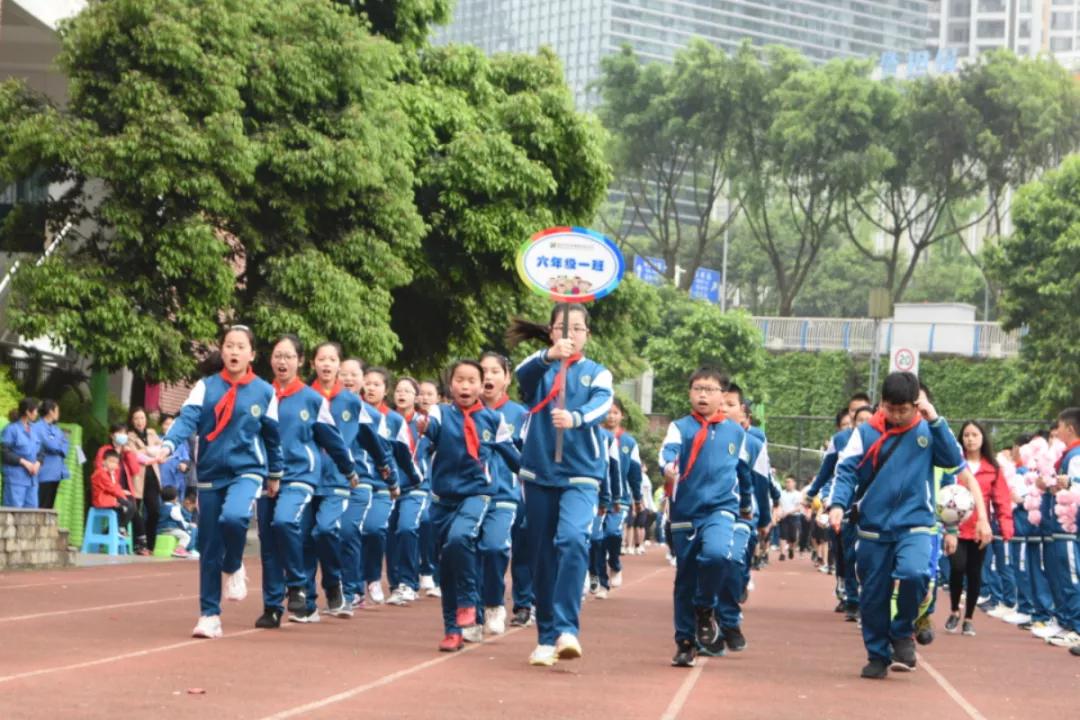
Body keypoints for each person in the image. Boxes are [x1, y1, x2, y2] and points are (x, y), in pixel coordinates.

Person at [828, 372, 974, 679]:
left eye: (903, 409)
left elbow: (951, 460)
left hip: (916, 523)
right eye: (890, 408)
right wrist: (838, 505)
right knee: (874, 594)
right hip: (873, 527)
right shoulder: (866, 433)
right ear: (881, 403)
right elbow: (846, 471)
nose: (895, 415)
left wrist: (935, 419)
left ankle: (903, 631)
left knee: (916, 572)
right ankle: (877, 655)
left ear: (916, 404)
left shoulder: (928, 430)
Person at [159, 325, 284, 639]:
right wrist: (168, 444)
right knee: (209, 543)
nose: (234, 351)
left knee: (236, 516)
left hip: (248, 470)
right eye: (229, 345)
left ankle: (234, 563)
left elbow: (272, 436)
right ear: (222, 349)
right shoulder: (206, 386)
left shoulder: (264, 391)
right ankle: (209, 614)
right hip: (212, 471)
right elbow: (187, 418)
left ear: (251, 354)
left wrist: (275, 473)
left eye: (241, 347)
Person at [508, 304, 614, 667]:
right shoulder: (538, 369)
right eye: (562, 328)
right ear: (552, 331)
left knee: (571, 540)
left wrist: (576, 417)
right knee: (542, 553)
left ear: (587, 334)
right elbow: (521, 377)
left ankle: (567, 628)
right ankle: (546, 635)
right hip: (538, 471)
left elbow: (603, 404)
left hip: (581, 473)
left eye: (579, 328)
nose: (571, 334)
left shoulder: (597, 373)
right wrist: (548, 355)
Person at [258, 335, 362, 628]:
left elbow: (333, 437)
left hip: (300, 475)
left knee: (285, 523)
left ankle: (299, 586)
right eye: (278, 355)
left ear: (300, 361)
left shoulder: (312, 399)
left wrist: (349, 469)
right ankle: (272, 606)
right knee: (269, 542)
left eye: (289, 356)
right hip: (266, 477)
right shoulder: (261, 394)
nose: (282, 361)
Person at [420, 360, 519, 652]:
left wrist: (536, 476)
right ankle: (453, 630)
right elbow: (431, 427)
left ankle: (468, 603)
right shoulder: (440, 413)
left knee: (460, 538)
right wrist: (423, 426)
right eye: (460, 380)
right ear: (451, 384)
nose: (466, 386)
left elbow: (513, 456)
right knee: (447, 565)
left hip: (478, 495)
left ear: (480, 385)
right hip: (442, 500)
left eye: (472, 380)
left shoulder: (492, 420)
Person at [660, 367, 752, 668]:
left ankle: (704, 609)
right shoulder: (680, 427)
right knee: (685, 576)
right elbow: (668, 453)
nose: (702, 394)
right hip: (685, 511)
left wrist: (748, 507)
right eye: (697, 388)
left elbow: (744, 472)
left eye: (709, 389)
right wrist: (669, 468)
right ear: (689, 393)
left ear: (722, 396)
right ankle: (685, 642)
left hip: (721, 508)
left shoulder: (736, 433)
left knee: (716, 556)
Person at [306, 343, 391, 620]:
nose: (327, 364)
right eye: (322, 359)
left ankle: (337, 585)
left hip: (340, 480)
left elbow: (372, 440)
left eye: (333, 359)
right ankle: (306, 600)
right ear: (313, 363)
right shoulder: (304, 396)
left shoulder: (354, 403)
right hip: (306, 476)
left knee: (327, 531)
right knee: (304, 538)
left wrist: (387, 470)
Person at [475, 352, 528, 637]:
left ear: (507, 378)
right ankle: (472, 607)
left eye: (495, 371)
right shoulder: (467, 412)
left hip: (505, 494)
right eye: (483, 371)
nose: (488, 377)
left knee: (496, 548)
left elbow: (526, 457)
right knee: (466, 550)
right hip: (470, 494)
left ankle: (497, 604)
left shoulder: (519, 414)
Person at [337, 358, 396, 612]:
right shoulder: (325, 406)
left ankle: (358, 585)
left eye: (354, 375)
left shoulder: (375, 416)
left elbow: (387, 452)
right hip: (330, 481)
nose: (349, 379)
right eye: (344, 374)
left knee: (360, 530)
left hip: (364, 480)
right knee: (326, 534)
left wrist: (391, 479)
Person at [944, 421, 1013, 637]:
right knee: (957, 568)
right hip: (955, 527)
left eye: (975, 434)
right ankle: (955, 610)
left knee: (974, 573)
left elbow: (1002, 499)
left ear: (983, 438)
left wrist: (1006, 527)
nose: (970, 439)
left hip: (980, 530)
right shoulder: (954, 464)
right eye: (966, 435)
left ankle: (969, 618)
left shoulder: (992, 468)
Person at [362, 366, 421, 605]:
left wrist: (414, 480)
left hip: (391, 486)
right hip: (358, 482)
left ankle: (404, 582)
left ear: (384, 390)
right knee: (355, 531)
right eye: (367, 383)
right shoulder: (353, 411)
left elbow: (405, 455)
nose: (371, 388)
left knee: (391, 530)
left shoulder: (395, 421)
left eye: (377, 384)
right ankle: (355, 586)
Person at [386, 376, 430, 607]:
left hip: (417, 487)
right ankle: (396, 584)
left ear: (416, 396)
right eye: (398, 390)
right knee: (389, 535)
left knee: (407, 528)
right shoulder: (387, 421)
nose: (401, 394)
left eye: (407, 391)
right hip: (390, 487)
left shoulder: (425, 423)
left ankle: (409, 582)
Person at [1043, 407, 1080, 651]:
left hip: (1070, 526)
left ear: (1069, 428)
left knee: (1072, 576)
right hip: (1062, 526)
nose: (1056, 433)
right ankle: (1067, 621)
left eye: (1059, 428)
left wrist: (1071, 483)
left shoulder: (1075, 456)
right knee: (1064, 575)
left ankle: (1076, 626)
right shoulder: (1068, 455)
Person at [417, 379, 443, 598]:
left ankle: (432, 571)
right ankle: (425, 568)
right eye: (421, 394)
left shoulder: (442, 422)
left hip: (438, 486)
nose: (424, 398)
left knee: (431, 523)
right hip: (418, 485)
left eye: (429, 394)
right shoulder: (411, 423)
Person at [2, 398, 42, 508]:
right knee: (13, 513)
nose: (37, 413)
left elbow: (41, 451)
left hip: (32, 480)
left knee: (32, 514)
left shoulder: (35, 430)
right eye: (35, 411)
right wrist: (25, 463)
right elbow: (5, 453)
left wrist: (38, 463)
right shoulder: (11, 429)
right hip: (16, 479)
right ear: (28, 412)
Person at [33, 400, 69, 510]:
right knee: (41, 504)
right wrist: (59, 444)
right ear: (50, 412)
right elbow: (50, 444)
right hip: (44, 472)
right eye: (57, 410)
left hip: (56, 472)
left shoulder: (56, 428)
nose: (58, 413)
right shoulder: (38, 427)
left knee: (49, 505)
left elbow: (66, 443)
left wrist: (58, 444)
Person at [157, 414, 191, 499]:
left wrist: (184, 466)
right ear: (161, 425)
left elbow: (186, 459)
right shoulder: (157, 440)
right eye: (166, 424)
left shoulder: (181, 442)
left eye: (172, 424)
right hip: (160, 480)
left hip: (176, 481)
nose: (169, 427)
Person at [157, 485, 194, 558]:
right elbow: (179, 519)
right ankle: (179, 550)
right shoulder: (174, 508)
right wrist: (186, 528)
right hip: (171, 529)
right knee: (186, 536)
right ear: (175, 498)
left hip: (160, 530)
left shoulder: (161, 507)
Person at [777, 475, 802, 561]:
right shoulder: (781, 493)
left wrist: (788, 512)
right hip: (783, 517)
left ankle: (791, 548)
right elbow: (779, 505)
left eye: (789, 482)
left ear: (794, 483)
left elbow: (799, 507)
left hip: (794, 516)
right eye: (786, 482)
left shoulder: (798, 494)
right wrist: (780, 513)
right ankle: (782, 553)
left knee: (793, 537)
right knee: (783, 535)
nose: (787, 484)